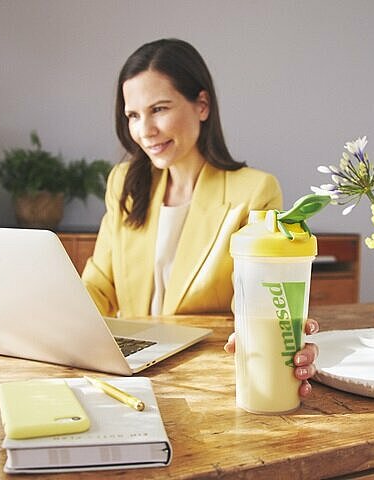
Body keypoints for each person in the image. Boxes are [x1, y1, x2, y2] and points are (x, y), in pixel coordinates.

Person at [82, 38, 318, 396]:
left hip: (206, 376)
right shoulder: (124, 184)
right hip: (126, 373)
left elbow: (255, 294)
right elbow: (98, 285)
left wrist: (266, 332)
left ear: (202, 105)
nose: (145, 130)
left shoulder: (254, 191)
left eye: (159, 109)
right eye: (133, 115)